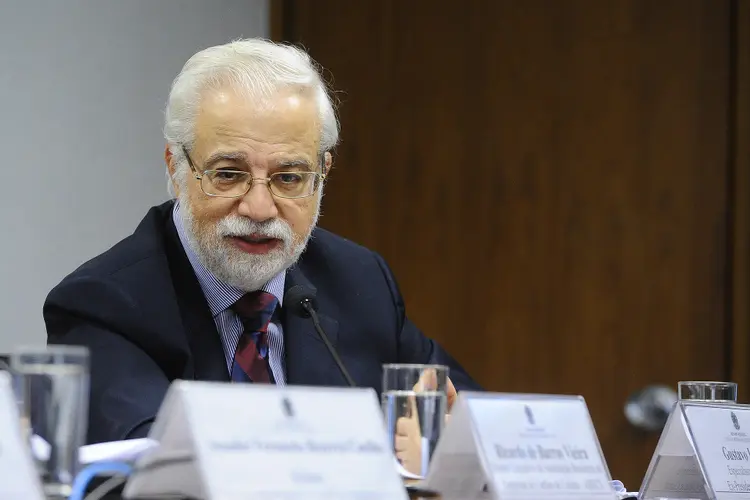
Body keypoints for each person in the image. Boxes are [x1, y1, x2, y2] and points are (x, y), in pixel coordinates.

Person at [43, 38, 481, 446]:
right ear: (176, 169)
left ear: (322, 173)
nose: (258, 209)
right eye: (228, 174)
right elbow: (162, 473)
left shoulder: (360, 282)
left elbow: (470, 420)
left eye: (289, 178)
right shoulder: (104, 306)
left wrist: (453, 442)